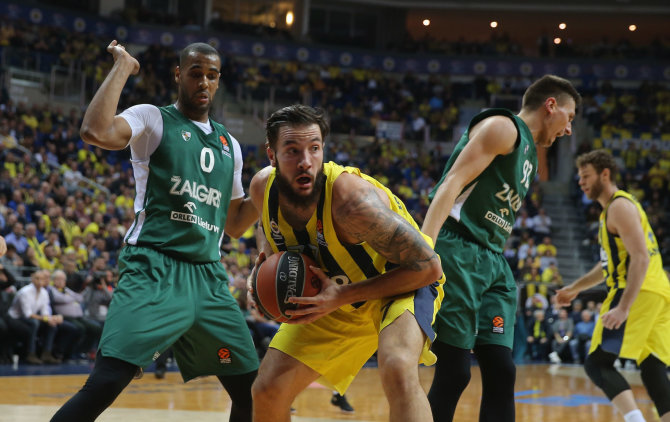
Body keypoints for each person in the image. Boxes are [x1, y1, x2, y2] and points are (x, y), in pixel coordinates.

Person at [51, 40, 259, 422]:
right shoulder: (152, 118)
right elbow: (95, 130)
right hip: (153, 268)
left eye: (212, 76)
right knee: (108, 380)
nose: (204, 82)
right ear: (179, 75)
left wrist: (266, 185)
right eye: (195, 73)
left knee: (253, 389)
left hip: (208, 277)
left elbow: (235, 225)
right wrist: (123, 68)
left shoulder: (230, 144)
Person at [247, 104, 444, 421]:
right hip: (334, 296)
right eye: (292, 151)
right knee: (267, 389)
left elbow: (429, 267)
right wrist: (263, 266)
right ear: (271, 155)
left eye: (314, 149)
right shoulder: (262, 188)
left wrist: (342, 296)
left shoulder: (352, 202)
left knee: (396, 366)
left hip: (398, 283)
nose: (306, 162)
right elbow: (264, 226)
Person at [422, 74, 580, 422]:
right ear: (550, 106)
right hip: (458, 249)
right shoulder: (504, 128)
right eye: (569, 117)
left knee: (502, 370)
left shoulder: (528, 154)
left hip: (493, 260)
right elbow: (450, 184)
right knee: (455, 373)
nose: (569, 129)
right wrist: (424, 250)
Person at [556, 149, 670, 422]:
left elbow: (640, 258)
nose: (581, 182)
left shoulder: (618, 207)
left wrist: (623, 308)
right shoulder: (618, 208)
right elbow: (608, 265)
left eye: (586, 176)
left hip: (638, 291)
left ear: (604, 174)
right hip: (659, 293)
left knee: (597, 363)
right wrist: (575, 288)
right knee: (653, 368)